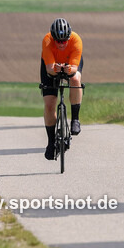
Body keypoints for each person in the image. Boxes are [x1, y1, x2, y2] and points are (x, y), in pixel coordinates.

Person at [41, 18, 83, 160]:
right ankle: (51, 143)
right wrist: (56, 70)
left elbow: (74, 69)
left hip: (70, 63)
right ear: (53, 38)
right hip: (51, 65)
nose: (61, 44)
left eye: (64, 40)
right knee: (49, 104)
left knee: (75, 79)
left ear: (69, 37)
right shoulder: (47, 40)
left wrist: (68, 69)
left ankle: (75, 119)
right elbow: (49, 69)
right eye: (58, 41)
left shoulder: (76, 40)